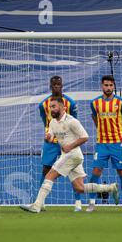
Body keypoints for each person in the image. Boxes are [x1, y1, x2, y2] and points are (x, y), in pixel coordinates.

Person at [20, 97, 118, 213]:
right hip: (70, 156)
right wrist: (48, 138)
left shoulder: (72, 121)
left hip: (73, 154)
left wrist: (70, 146)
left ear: (62, 107)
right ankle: (110, 188)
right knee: (79, 188)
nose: (51, 109)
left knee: (49, 175)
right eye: (50, 107)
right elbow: (51, 137)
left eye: (54, 106)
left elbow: (85, 136)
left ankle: (37, 206)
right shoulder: (52, 122)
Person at [39, 76, 82, 211]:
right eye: (54, 85)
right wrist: (49, 135)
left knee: (74, 171)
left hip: (68, 142)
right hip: (51, 143)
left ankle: (78, 203)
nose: (57, 87)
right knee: (46, 169)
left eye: (59, 84)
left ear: (62, 85)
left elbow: (74, 123)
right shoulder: (43, 104)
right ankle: (41, 202)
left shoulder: (70, 103)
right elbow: (45, 121)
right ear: (50, 86)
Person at [88, 75, 122, 212]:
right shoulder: (94, 103)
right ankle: (92, 203)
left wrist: (117, 133)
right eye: (106, 85)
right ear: (101, 86)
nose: (108, 88)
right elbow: (95, 120)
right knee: (95, 172)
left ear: (114, 86)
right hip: (102, 143)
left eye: (111, 85)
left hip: (117, 143)